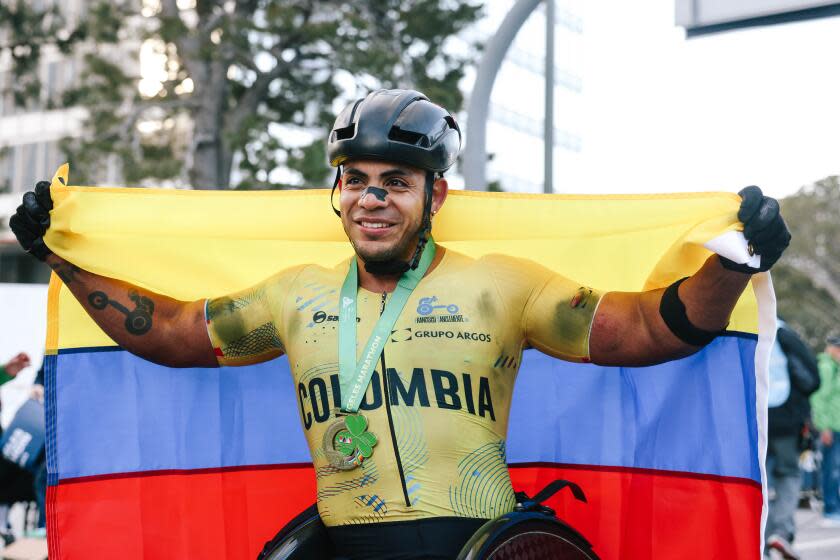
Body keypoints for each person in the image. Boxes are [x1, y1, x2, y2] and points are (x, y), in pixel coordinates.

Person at [9, 89, 791, 560]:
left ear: (435, 196)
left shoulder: (500, 286)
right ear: (337, 193)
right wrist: (61, 258)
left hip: (475, 544)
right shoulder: (296, 296)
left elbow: (650, 332)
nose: (372, 198)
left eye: (396, 182)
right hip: (339, 546)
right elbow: (174, 334)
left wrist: (733, 263)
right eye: (356, 181)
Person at [765, 320, 820, 559]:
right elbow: (811, 379)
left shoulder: (742, 327)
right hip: (787, 422)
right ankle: (780, 533)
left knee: (757, 481)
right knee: (789, 475)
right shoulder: (783, 333)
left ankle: (755, 536)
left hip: (754, 421)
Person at [812, 335, 840, 527]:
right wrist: (824, 428)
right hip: (830, 427)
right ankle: (830, 510)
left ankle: (834, 507)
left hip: (836, 425)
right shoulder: (826, 367)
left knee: (834, 470)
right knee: (830, 469)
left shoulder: (834, 368)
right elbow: (820, 399)